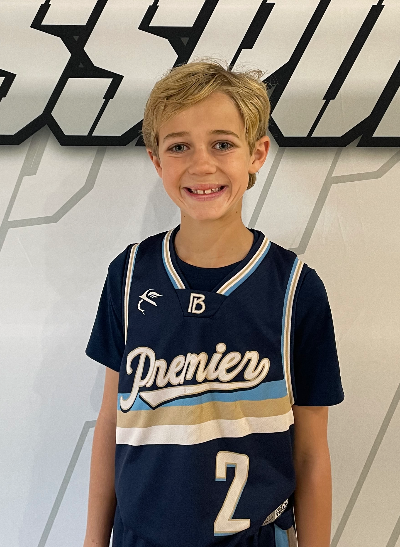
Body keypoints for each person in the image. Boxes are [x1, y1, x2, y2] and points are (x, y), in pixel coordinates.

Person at [84, 60, 344, 547]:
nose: (201, 165)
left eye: (222, 144)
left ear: (257, 153)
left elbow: (311, 451)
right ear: (157, 160)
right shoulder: (128, 275)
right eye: (179, 146)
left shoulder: (296, 290)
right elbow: (111, 423)